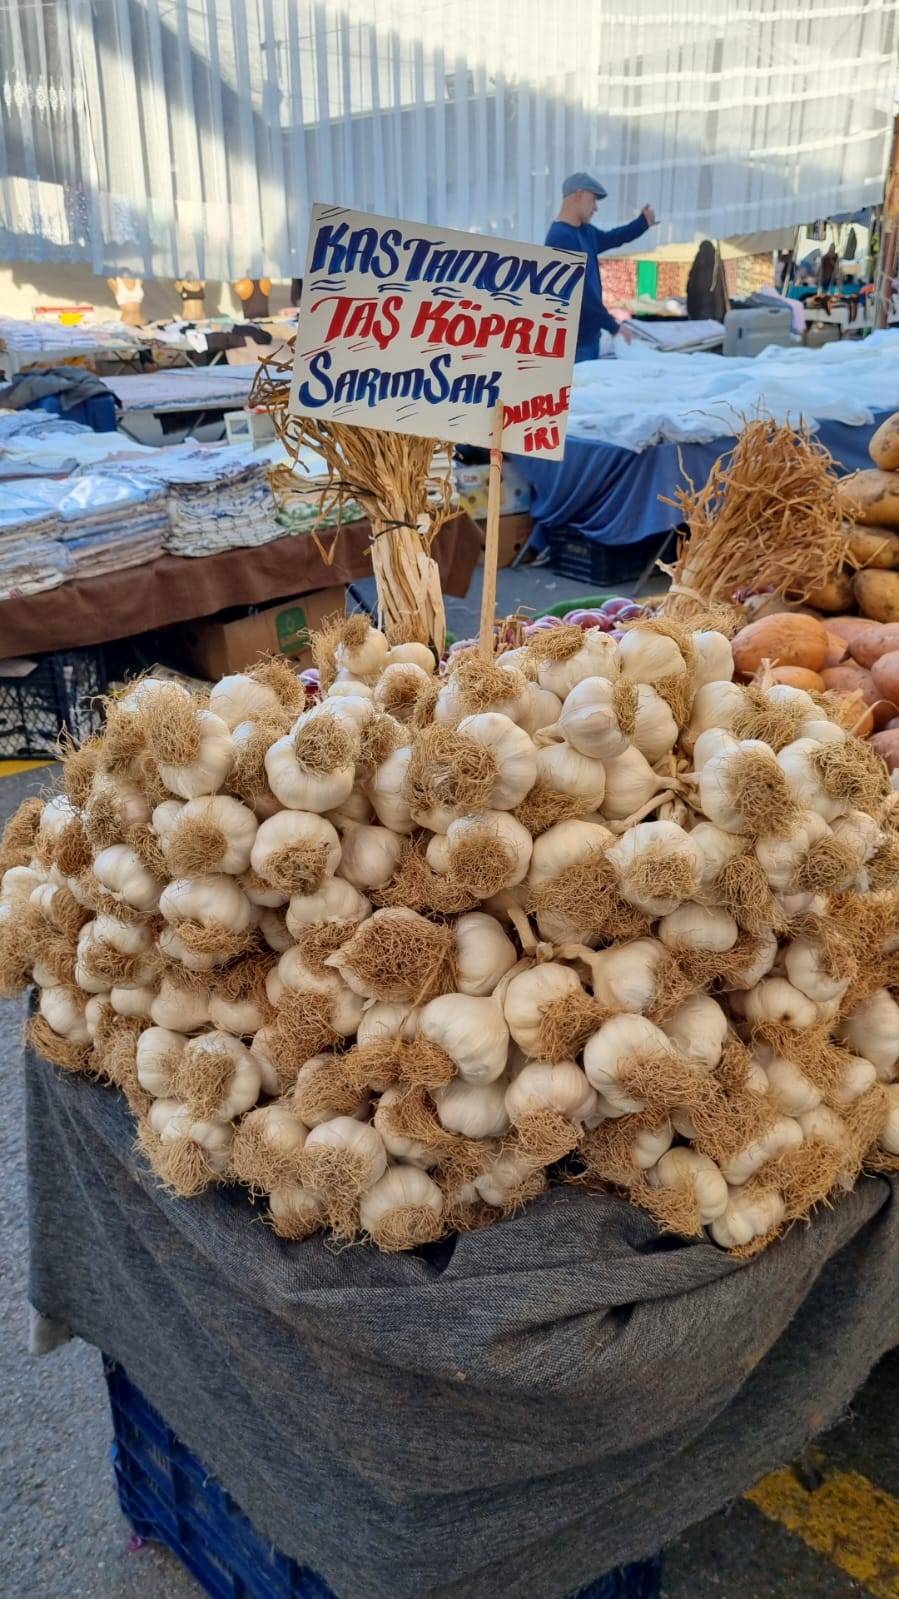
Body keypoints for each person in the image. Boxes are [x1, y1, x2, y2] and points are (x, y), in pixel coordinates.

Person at [545, 172, 657, 361]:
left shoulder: (584, 231)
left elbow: (613, 238)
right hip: (574, 343)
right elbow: (582, 295)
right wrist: (614, 327)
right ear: (578, 195)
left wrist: (642, 223)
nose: (596, 207)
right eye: (593, 200)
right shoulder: (561, 237)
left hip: (588, 335)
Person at [686, 239, 728, 322]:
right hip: (712, 309)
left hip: (698, 308)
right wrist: (719, 312)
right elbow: (719, 290)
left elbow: (689, 287)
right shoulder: (715, 263)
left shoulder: (698, 263)